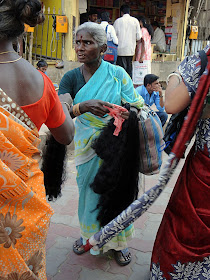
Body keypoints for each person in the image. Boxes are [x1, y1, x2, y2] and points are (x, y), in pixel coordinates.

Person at [58, 22, 144, 266]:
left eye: (88, 42)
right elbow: (61, 109)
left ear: (103, 47)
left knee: (117, 195)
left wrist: (128, 112)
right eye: (78, 42)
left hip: (115, 149)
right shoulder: (71, 77)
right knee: (89, 194)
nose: (80, 47)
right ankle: (89, 238)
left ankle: (118, 244)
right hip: (86, 151)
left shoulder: (117, 75)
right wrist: (81, 107)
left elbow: (139, 105)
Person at [0, 0, 75, 279]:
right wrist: (66, 105)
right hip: (27, 209)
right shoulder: (41, 82)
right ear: (19, 32)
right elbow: (66, 135)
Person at [150, 45, 210, 279]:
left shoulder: (204, 58)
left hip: (205, 166)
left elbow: (172, 104)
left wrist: (176, 75)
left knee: (190, 229)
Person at [113, 5, 142, 77]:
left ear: (121, 12)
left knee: (120, 69)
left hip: (120, 49)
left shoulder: (117, 21)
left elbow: (114, 36)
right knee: (129, 68)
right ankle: (128, 84)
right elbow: (139, 37)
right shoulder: (135, 21)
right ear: (129, 12)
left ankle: (122, 85)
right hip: (130, 49)